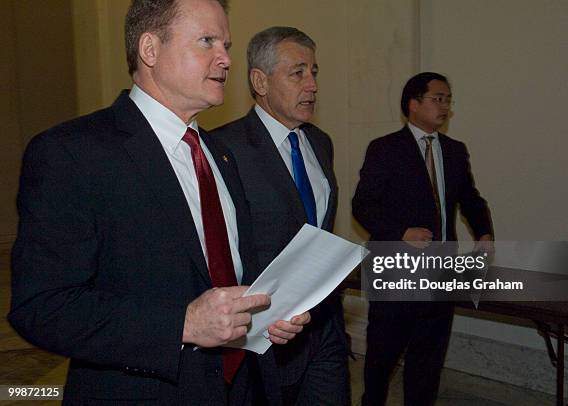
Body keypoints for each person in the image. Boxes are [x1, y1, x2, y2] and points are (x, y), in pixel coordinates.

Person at [8, 1, 309, 404]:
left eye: (227, 44)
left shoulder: (220, 154)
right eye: (207, 41)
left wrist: (263, 314)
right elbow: (42, 307)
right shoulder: (72, 153)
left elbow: (231, 271)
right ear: (150, 50)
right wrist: (181, 324)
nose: (226, 59)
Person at [211, 27, 350, 405]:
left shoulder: (321, 143)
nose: (312, 85)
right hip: (264, 340)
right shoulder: (223, 148)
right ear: (260, 81)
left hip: (326, 331)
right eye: (298, 73)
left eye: (315, 72)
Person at [352, 72, 493, 406]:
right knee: (381, 360)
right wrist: (400, 232)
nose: (445, 106)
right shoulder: (385, 149)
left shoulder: (455, 151)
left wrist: (484, 233)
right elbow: (363, 206)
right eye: (438, 98)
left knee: (427, 362)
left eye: (448, 99)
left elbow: (470, 199)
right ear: (413, 104)